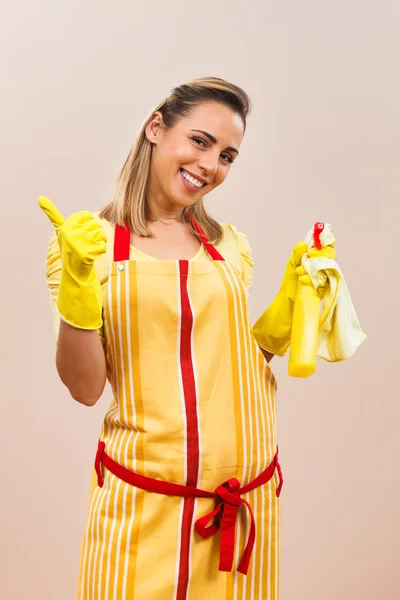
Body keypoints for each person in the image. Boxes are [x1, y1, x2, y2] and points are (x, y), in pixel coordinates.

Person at [40, 77, 334, 600]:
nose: (210, 165)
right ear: (157, 127)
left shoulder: (229, 246)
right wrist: (79, 289)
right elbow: (85, 388)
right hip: (146, 503)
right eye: (199, 141)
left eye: (227, 155)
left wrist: (292, 307)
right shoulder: (90, 245)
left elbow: (231, 358)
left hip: (243, 503)